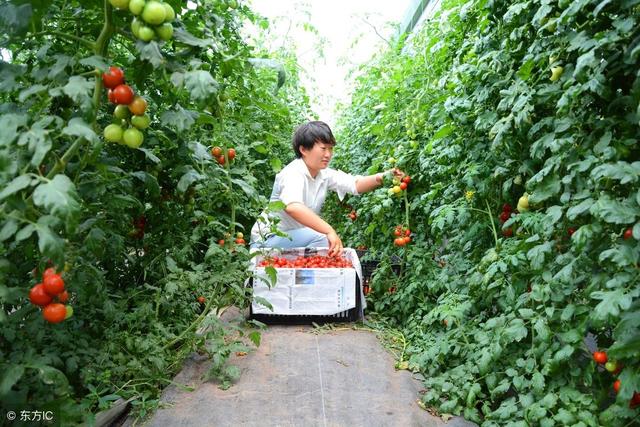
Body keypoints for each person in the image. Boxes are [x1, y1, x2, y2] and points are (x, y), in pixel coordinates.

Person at [250, 121, 403, 257]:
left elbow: (355, 184)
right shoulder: (293, 173)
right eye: (323, 148)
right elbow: (293, 207)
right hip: (267, 241)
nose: (328, 154)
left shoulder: (323, 174)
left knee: (321, 239)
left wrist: (384, 176)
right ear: (303, 149)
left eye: (330, 149)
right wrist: (329, 230)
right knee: (322, 238)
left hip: (293, 239)